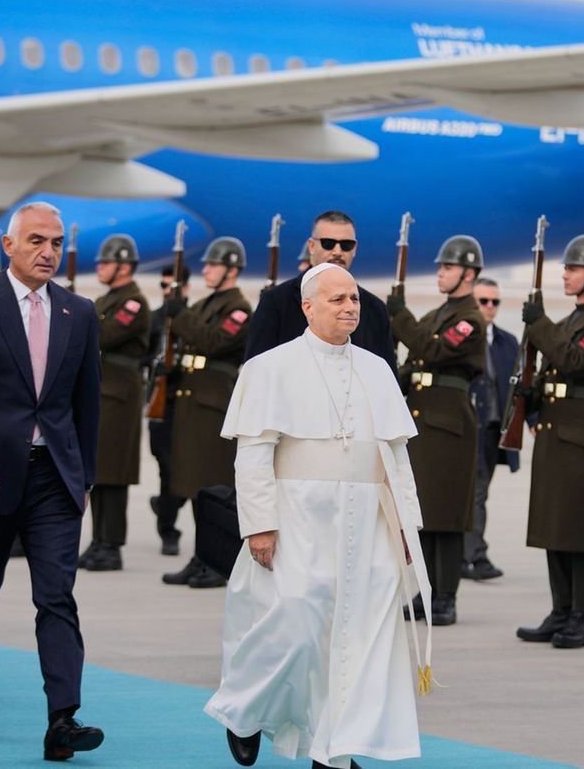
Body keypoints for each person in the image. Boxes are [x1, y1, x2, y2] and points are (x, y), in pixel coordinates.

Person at [205, 262, 432, 769]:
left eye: (353, 299)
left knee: (358, 636)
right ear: (308, 307)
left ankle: (334, 748)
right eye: (337, 300)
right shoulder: (269, 368)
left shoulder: (376, 369)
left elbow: (396, 457)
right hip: (297, 517)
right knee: (295, 620)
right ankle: (247, 710)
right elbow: (254, 453)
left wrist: (405, 528)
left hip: (367, 520)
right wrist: (260, 524)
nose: (350, 307)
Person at [0, 201, 105, 760]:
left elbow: (87, 404)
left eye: (57, 242)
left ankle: (63, 717)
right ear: (8, 244)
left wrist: (84, 477)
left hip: (54, 480)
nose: (48, 252)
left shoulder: (79, 312)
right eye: (36, 240)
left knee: (57, 597)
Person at [515, 235, 584, 650]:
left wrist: (538, 324)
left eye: (572, 269)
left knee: (579, 532)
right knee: (555, 527)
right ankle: (560, 610)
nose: (565, 274)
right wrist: (531, 397)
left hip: (582, 439)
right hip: (556, 436)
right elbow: (551, 372)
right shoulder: (567, 323)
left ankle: (581, 616)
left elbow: (574, 362)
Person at [386, 235, 486, 625]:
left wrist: (401, 316)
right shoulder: (441, 313)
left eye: (447, 266)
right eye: (441, 266)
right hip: (425, 421)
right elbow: (417, 358)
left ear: (468, 273)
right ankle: (426, 591)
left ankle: (445, 596)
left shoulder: (469, 319)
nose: (440, 272)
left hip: (449, 424)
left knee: (445, 513)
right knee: (424, 510)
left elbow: (432, 349)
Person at [160, 238, 251, 589]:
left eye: (213, 265)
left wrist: (179, 313)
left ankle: (218, 561)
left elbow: (213, 341)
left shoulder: (239, 308)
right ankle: (201, 557)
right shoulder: (205, 303)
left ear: (231, 269)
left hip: (213, 404)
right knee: (195, 486)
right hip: (192, 401)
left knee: (213, 487)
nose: (206, 270)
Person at [245, 210, 397, 373]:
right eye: (328, 243)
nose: (337, 251)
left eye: (346, 245)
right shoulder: (276, 302)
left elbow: (386, 376)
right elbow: (256, 369)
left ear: (355, 249)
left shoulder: (375, 308)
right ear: (311, 246)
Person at [79, 234, 150, 572]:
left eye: (105, 263)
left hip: (120, 396)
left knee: (115, 472)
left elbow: (102, 335)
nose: (100, 268)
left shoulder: (133, 302)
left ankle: (113, 544)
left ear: (124, 266)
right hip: (104, 392)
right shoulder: (108, 300)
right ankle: (98, 540)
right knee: (100, 471)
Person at [462, 277, 519, 582]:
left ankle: (463, 553)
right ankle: (476, 555)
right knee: (476, 491)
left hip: (496, 429)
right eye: (483, 301)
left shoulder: (508, 341)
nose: (489, 307)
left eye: (494, 302)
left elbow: (518, 384)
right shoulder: (463, 336)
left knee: (479, 491)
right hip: (469, 426)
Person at [149, 263, 190, 556]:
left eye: (172, 287)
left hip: (185, 403)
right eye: (163, 286)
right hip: (160, 401)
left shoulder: (193, 317)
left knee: (183, 471)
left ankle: (166, 512)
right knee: (165, 467)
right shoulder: (154, 319)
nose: (167, 292)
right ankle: (167, 524)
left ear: (185, 288)